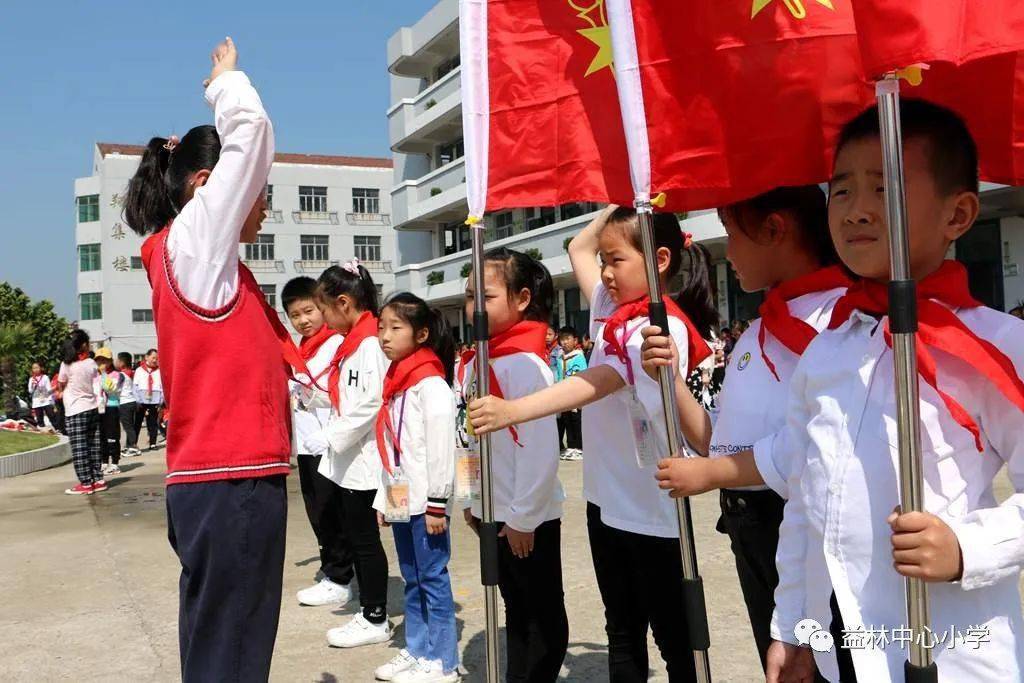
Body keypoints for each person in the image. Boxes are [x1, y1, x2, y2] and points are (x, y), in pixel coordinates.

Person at [469, 206, 717, 681]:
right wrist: (618, 196)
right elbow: (576, 248)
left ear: (660, 260)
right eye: (604, 261)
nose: (603, 271)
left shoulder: (661, 328)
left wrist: (514, 411)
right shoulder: (610, 311)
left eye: (616, 260)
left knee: (673, 639)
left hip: (653, 509)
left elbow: (601, 379)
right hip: (605, 503)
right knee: (621, 631)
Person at [123, 37, 291, 682]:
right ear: (206, 184)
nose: (262, 204)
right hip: (231, 477)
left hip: (216, 478)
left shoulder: (202, 263)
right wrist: (226, 82)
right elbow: (250, 132)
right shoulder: (195, 243)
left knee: (219, 638)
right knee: (235, 648)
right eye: (257, 191)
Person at [641, 186, 854, 678]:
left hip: (803, 530)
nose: (727, 254)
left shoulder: (840, 317)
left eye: (733, 235)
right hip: (749, 527)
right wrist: (671, 382)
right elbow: (716, 440)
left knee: (822, 663)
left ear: (776, 230)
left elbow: (820, 445)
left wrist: (712, 472)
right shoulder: (759, 330)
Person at [460, 248, 569, 682]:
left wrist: (524, 518)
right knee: (514, 609)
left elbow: (541, 450)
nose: (473, 307)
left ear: (522, 299)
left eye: (485, 296)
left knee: (542, 616)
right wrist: (473, 499)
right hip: (494, 510)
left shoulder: (527, 365)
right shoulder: (478, 362)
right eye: (469, 296)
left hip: (529, 518)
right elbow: (470, 438)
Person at [303, 262, 392, 649]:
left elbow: (369, 404)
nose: (320, 318)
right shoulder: (354, 342)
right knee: (357, 538)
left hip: (365, 459)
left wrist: (328, 436)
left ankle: (375, 616)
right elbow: (347, 397)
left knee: (365, 541)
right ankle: (368, 607)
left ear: (343, 303)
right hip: (350, 458)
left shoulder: (370, 343)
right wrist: (311, 395)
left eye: (321, 310)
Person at [373, 293, 460, 683]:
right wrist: (385, 499)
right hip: (403, 500)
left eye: (395, 328)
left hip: (427, 504)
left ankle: (443, 662)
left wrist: (438, 503)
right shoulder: (397, 384)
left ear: (422, 333)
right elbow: (393, 450)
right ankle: (418, 648)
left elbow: (442, 451)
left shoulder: (431, 386)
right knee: (411, 578)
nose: (384, 336)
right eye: (381, 327)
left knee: (433, 579)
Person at [282, 276, 355, 607]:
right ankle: (334, 571)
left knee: (331, 510)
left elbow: (335, 393)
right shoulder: (298, 348)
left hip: (330, 440)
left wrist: (310, 395)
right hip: (307, 443)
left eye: (308, 311)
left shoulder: (336, 344)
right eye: (295, 315)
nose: (303, 320)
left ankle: (340, 576)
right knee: (316, 509)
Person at [56, 330, 104, 495]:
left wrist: (62, 390)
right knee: (93, 444)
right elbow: (96, 380)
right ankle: (98, 479)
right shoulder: (91, 362)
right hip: (91, 407)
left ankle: (85, 483)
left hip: (75, 409)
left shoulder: (66, 364)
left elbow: (61, 383)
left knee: (79, 447)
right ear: (83, 344)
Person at [555, 325, 587, 461]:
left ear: (575, 340)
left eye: (568, 338)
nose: (565, 342)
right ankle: (571, 447)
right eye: (562, 339)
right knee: (567, 420)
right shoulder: (560, 357)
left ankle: (579, 447)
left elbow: (583, 374)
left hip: (576, 394)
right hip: (563, 395)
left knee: (577, 421)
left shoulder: (578, 356)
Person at [94, 348, 125, 476]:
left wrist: (103, 374)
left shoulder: (117, 375)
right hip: (98, 408)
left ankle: (115, 463)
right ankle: (104, 461)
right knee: (101, 436)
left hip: (111, 407)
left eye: (104, 360)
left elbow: (110, 389)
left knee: (112, 435)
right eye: (99, 360)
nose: (101, 363)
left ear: (110, 361)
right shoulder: (95, 376)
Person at [133, 349, 163, 450]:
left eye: (157, 358)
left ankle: (153, 443)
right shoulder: (139, 370)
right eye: (153, 357)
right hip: (141, 400)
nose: (155, 360)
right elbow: (135, 386)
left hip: (154, 399)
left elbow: (162, 386)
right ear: (146, 357)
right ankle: (133, 443)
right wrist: (137, 400)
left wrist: (161, 400)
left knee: (153, 422)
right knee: (137, 422)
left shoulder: (159, 371)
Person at [116, 352, 141, 457]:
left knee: (128, 427)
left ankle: (134, 447)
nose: (115, 362)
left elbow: (116, 388)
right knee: (130, 425)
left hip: (125, 402)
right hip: (132, 401)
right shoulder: (130, 372)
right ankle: (129, 446)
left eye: (117, 360)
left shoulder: (121, 374)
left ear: (122, 363)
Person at [27, 362, 58, 431]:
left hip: (45, 400)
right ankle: (43, 429)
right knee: (39, 417)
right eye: (34, 368)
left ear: (40, 368)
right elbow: (30, 391)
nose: (35, 369)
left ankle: (57, 428)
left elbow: (49, 389)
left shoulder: (45, 377)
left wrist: (50, 400)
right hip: (36, 401)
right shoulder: (31, 379)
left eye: (37, 367)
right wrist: (33, 385)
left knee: (51, 415)